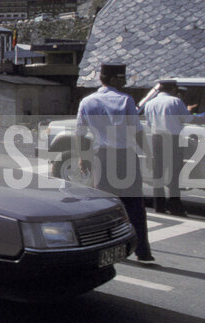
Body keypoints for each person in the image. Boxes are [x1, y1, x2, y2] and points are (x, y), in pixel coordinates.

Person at [75, 63, 153, 262]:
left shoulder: (87, 101)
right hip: (125, 156)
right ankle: (142, 250)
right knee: (134, 205)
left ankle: (102, 248)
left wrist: (82, 157)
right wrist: (150, 155)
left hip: (101, 156)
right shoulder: (125, 100)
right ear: (112, 79)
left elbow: (81, 133)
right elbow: (136, 132)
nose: (124, 82)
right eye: (121, 78)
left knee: (103, 205)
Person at [138, 80, 190, 216]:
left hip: (157, 138)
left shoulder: (150, 103)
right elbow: (187, 119)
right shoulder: (175, 101)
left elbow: (149, 123)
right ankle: (175, 206)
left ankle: (159, 206)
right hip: (173, 138)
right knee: (174, 173)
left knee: (159, 173)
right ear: (173, 89)